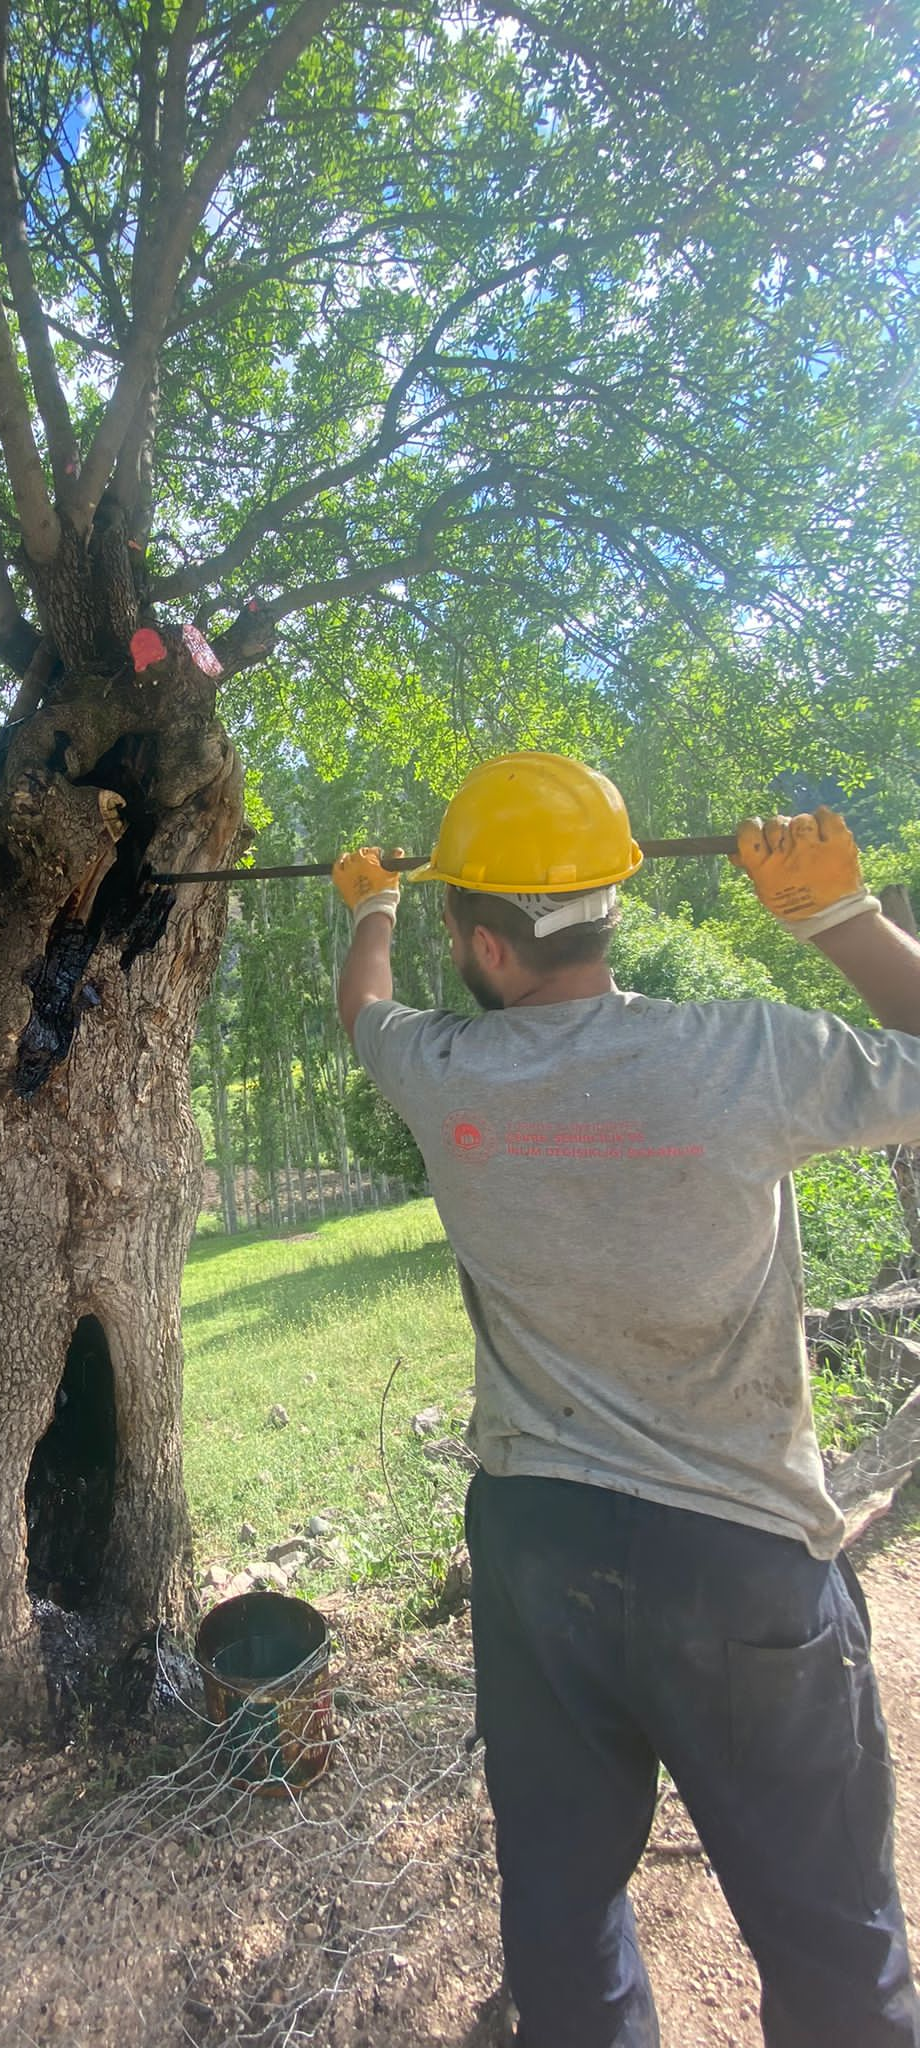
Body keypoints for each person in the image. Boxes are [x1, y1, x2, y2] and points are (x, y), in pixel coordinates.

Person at [332, 752, 920, 2048]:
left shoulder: (442, 1073)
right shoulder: (744, 1053)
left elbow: (361, 1012)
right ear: (613, 903)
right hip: (744, 1560)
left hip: (539, 1552)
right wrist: (843, 921)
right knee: (831, 1949)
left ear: (482, 945)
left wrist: (369, 905)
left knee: (565, 1924)